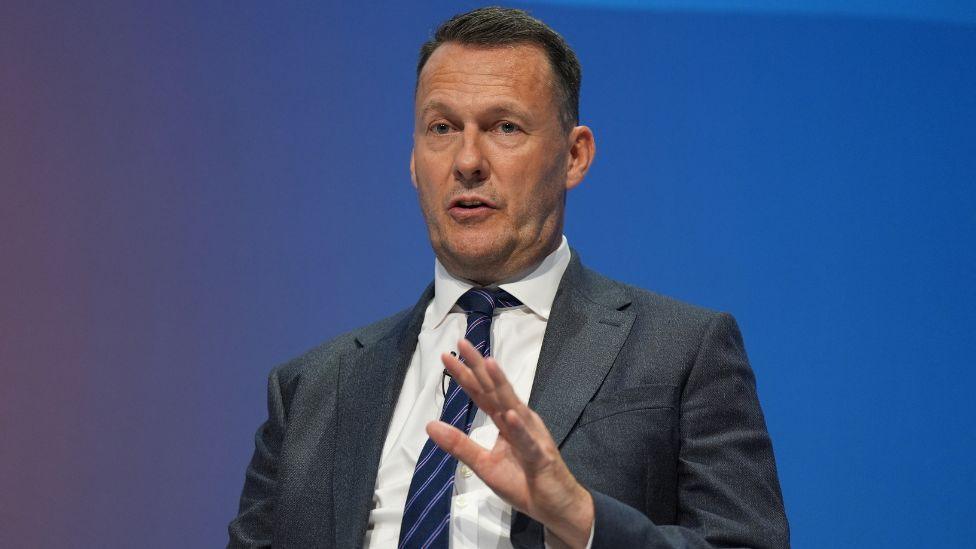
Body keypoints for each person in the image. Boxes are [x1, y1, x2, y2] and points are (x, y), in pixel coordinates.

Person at [228, 7, 788, 549]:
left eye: (504, 127)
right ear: (413, 161)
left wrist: (580, 519)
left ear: (574, 156)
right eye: (442, 127)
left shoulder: (681, 353)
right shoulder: (310, 389)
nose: (467, 160)